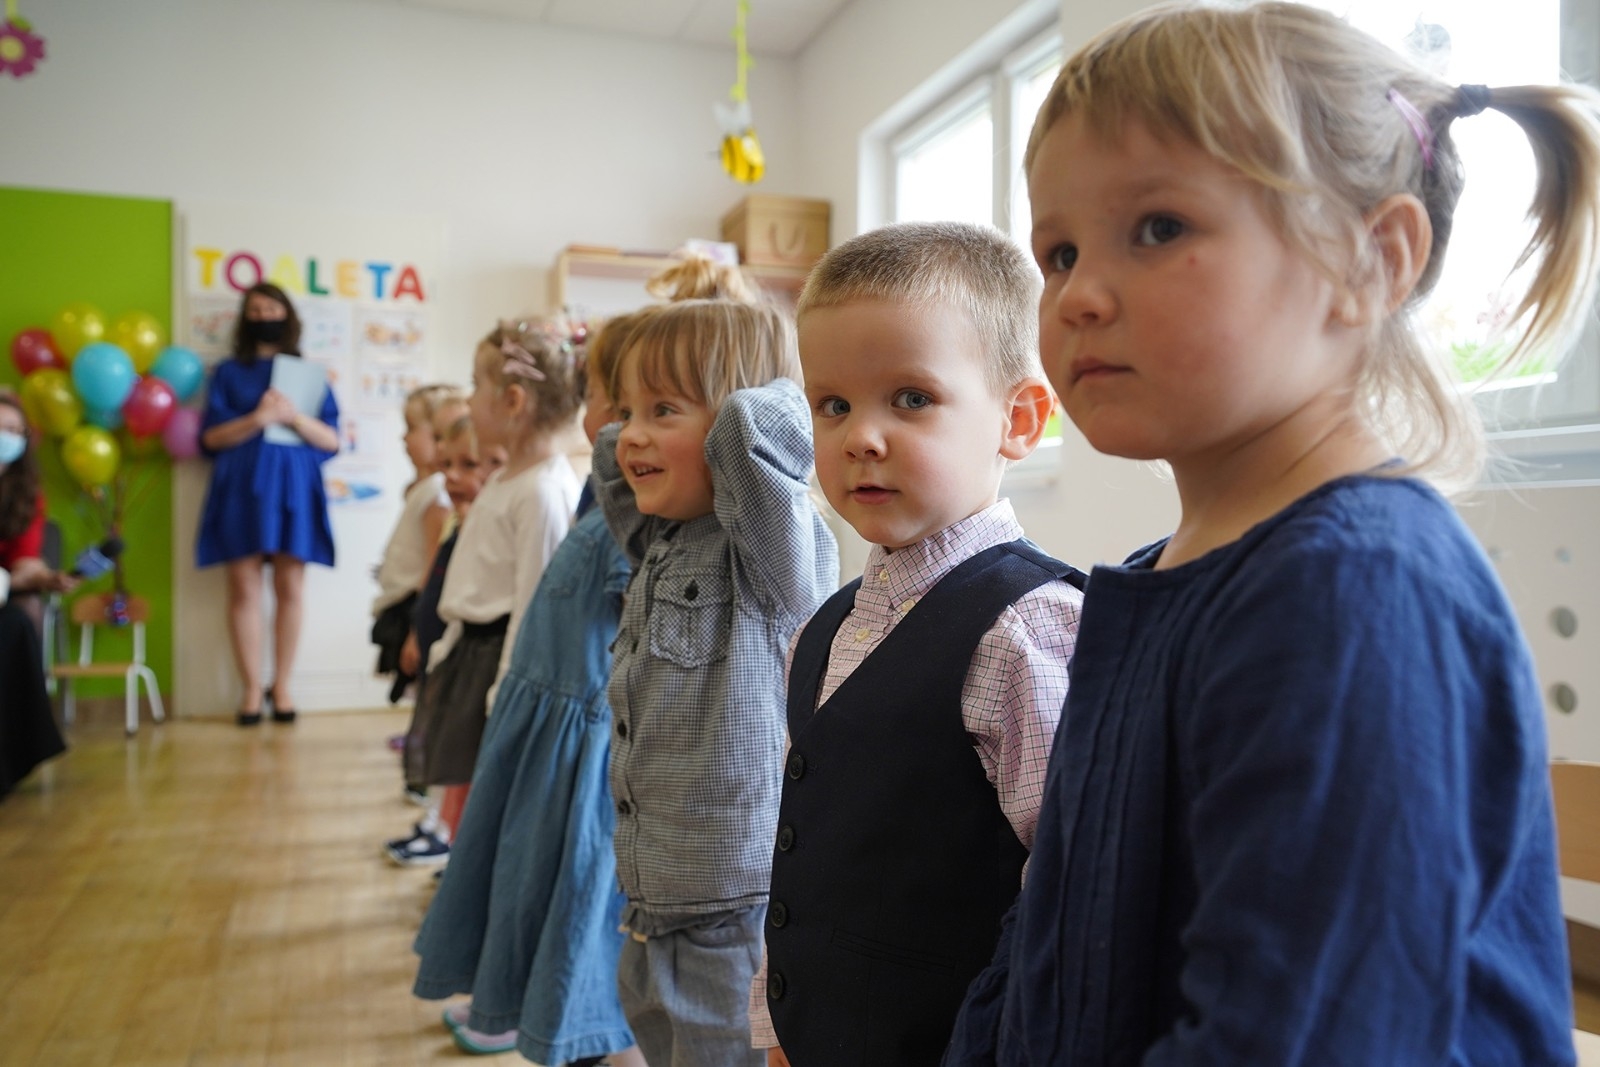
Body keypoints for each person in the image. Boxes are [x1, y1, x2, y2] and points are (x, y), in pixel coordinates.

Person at [944, 3, 1600, 1063]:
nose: (1076, 297)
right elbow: (1053, 944)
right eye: (1058, 251)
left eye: (1158, 228)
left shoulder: (1354, 590)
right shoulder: (1163, 579)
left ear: (1371, 260)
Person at [749, 222, 1086, 1067]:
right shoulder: (824, 626)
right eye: (833, 405)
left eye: (910, 398)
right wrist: (778, 1025)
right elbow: (806, 849)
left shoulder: (1026, 626)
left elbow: (1068, 883)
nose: (861, 436)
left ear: (1019, 419)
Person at [592, 299, 838, 1067]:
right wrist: (648, 418)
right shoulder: (661, 538)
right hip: (653, 890)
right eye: (629, 410)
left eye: (662, 409)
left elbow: (748, 433)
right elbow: (609, 459)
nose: (630, 434)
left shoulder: (767, 554)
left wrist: (762, 395)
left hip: (734, 902)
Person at [413, 313, 647, 1064]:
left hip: (564, 716)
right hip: (534, 703)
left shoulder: (562, 493)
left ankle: (568, 1022)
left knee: (567, 886)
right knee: (518, 874)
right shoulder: (567, 489)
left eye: (600, 392)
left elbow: (551, 605)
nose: (589, 408)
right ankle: (526, 1004)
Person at [386, 319, 582, 869]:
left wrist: (503, 695)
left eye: (476, 386)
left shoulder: (541, 491)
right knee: (463, 795)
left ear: (513, 401)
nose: (469, 400)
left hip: (498, 665)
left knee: (489, 804)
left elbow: (533, 606)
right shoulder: (504, 479)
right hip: (469, 654)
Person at [197, 282, 340, 726]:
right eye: (255, 310)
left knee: (290, 586)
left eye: (271, 308)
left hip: (293, 488)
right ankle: (250, 690)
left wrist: (292, 417)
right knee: (243, 587)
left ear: (287, 315)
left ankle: (283, 687)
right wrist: (258, 419)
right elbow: (210, 438)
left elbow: (332, 439)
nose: (264, 316)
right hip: (241, 488)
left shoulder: (309, 374)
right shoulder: (227, 373)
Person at [397, 413, 502, 815]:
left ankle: (444, 828)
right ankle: (437, 823)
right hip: (440, 651)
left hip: (466, 662)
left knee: (461, 762)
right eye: (447, 465)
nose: (452, 477)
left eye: (468, 465)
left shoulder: (488, 529)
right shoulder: (457, 523)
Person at [0, 388, 72, 799]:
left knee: (18, 623)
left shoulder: (26, 492)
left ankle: (15, 755)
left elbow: (25, 561)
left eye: (14, 430)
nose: (6, 437)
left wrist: (46, 577)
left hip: (4, 593)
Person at [371, 384, 459, 706]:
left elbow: (433, 569)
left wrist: (415, 631)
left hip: (415, 608)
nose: (404, 438)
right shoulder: (423, 489)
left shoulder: (437, 494)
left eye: (411, 429)